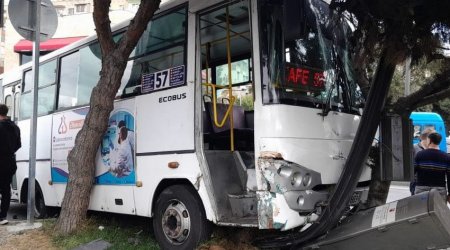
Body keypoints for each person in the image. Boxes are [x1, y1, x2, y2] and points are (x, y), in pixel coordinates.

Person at [0, 104, 21, 225]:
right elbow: (18, 144)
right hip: (9, 162)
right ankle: (3, 216)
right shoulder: (15, 127)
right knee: (5, 189)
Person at [414, 132, 450, 202]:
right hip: (439, 190)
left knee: (421, 211)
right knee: (439, 212)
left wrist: (413, 187)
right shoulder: (446, 157)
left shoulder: (420, 155)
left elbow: (413, 172)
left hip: (421, 189)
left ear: (429, 140)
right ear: (439, 142)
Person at [410, 128, 435, 195]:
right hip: (417, 182)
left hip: (431, 182)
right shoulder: (414, 148)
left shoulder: (434, 148)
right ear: (426, 138)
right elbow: (411, 166)